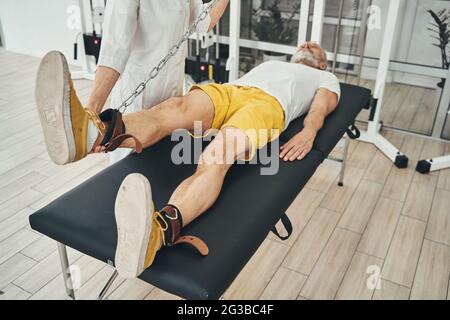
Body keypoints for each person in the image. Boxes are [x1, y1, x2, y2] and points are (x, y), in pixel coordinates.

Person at [34, 42, 340, 279]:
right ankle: (90, 135)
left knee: (215, 157)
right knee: (175, 109)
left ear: (323, 62)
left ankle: (157, 232)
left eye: (314, 47)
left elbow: (319, 110)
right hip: (230, 91)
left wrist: (309, 133)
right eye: (305, 45)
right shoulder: (274, 63)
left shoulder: (326, 77)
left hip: (268, 107)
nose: (308, 45)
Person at [85, 0, 229, 163]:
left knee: (162, 172)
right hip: (138, 104)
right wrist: (91, 113)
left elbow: (203, 22)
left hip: (172, 106)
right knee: (130, 172)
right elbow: (113, 54)